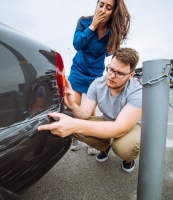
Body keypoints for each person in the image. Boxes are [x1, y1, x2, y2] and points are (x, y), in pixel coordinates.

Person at [38, 47, 142, 173]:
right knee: (74, 125)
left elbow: (120, 128)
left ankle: (128, 159)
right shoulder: (97, 83)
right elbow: (85, 114)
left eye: (119, 73)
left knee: (126, 148)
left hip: (130, 126)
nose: (111, 76)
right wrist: (72, 105)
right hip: (108, 122)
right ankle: (105, 147)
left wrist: (75, 125)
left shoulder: (137, 91)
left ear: (131, 75)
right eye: (110, 69)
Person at [68, 0, 131, 154]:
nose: (102, 9)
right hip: (78, 70)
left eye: (108, 7)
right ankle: (75, 137)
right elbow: (77, 44)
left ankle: (92, 139)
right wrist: (92, 27)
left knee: (90, 111)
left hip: (95, 74)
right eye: (101, 4)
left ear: (113, 13)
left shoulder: (113, 30)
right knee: (75, 107)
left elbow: (109, 52)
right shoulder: (84, 21)